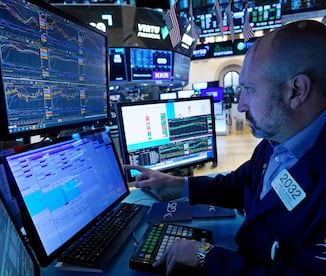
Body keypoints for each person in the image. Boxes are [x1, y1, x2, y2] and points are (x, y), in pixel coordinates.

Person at [124, 20, 326, 275]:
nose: (240, 105)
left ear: (296, 91)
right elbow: (240, 184)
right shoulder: (278, 142)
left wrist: (204, 255)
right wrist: (178, 185)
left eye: (249, 90)